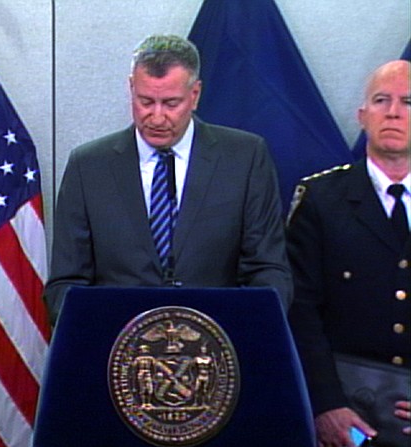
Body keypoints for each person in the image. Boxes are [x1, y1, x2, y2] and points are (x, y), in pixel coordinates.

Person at [44, 34, 292, 324]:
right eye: (145, 101)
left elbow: (268, 270)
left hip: (216, 350)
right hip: (116, 351)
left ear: (195, 95)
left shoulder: (245, 158)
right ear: (131, 88)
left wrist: (241, 332)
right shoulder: (88, 167)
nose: (157, 118)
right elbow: (65, 284)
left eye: (171, 103)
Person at [287, 60, 410, 447]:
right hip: (346, 409)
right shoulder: (321, 199)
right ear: (362, 115)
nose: (393, 112)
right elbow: (299, 310)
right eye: (381, 100)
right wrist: (325, 405)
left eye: (408, 101)